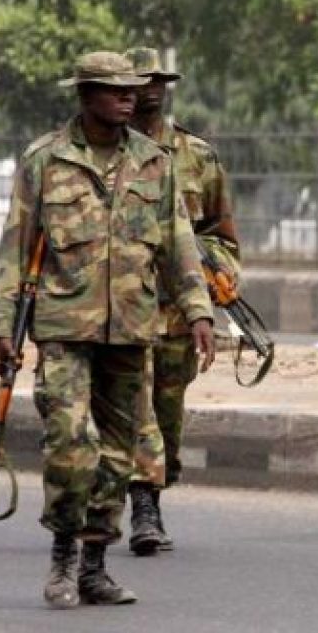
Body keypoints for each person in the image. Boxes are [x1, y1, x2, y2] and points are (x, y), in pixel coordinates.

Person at [0, 50, 215, 610]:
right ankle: (62, 554)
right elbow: (16, 245)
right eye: (115, 90)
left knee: (119, 455)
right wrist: (3, 324)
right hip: (64, 325)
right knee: (70, 442)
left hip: (132, 326)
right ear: (86, 96)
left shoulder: (155, 161)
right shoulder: (46, 159)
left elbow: (178, 241)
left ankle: (94, 566)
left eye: (133, 90)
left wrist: (198, 309)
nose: (129, 97)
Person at [118, 46, 241, 556]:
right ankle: (143, 505)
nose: (151, 87)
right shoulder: (102, 153)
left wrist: (212, 274)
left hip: (177, 312)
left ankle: (154, 485)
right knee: (134, 407)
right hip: (118, 309)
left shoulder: (197, 155)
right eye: (140, 79)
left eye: (159, 79)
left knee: (167, 412)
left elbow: (223, 237)